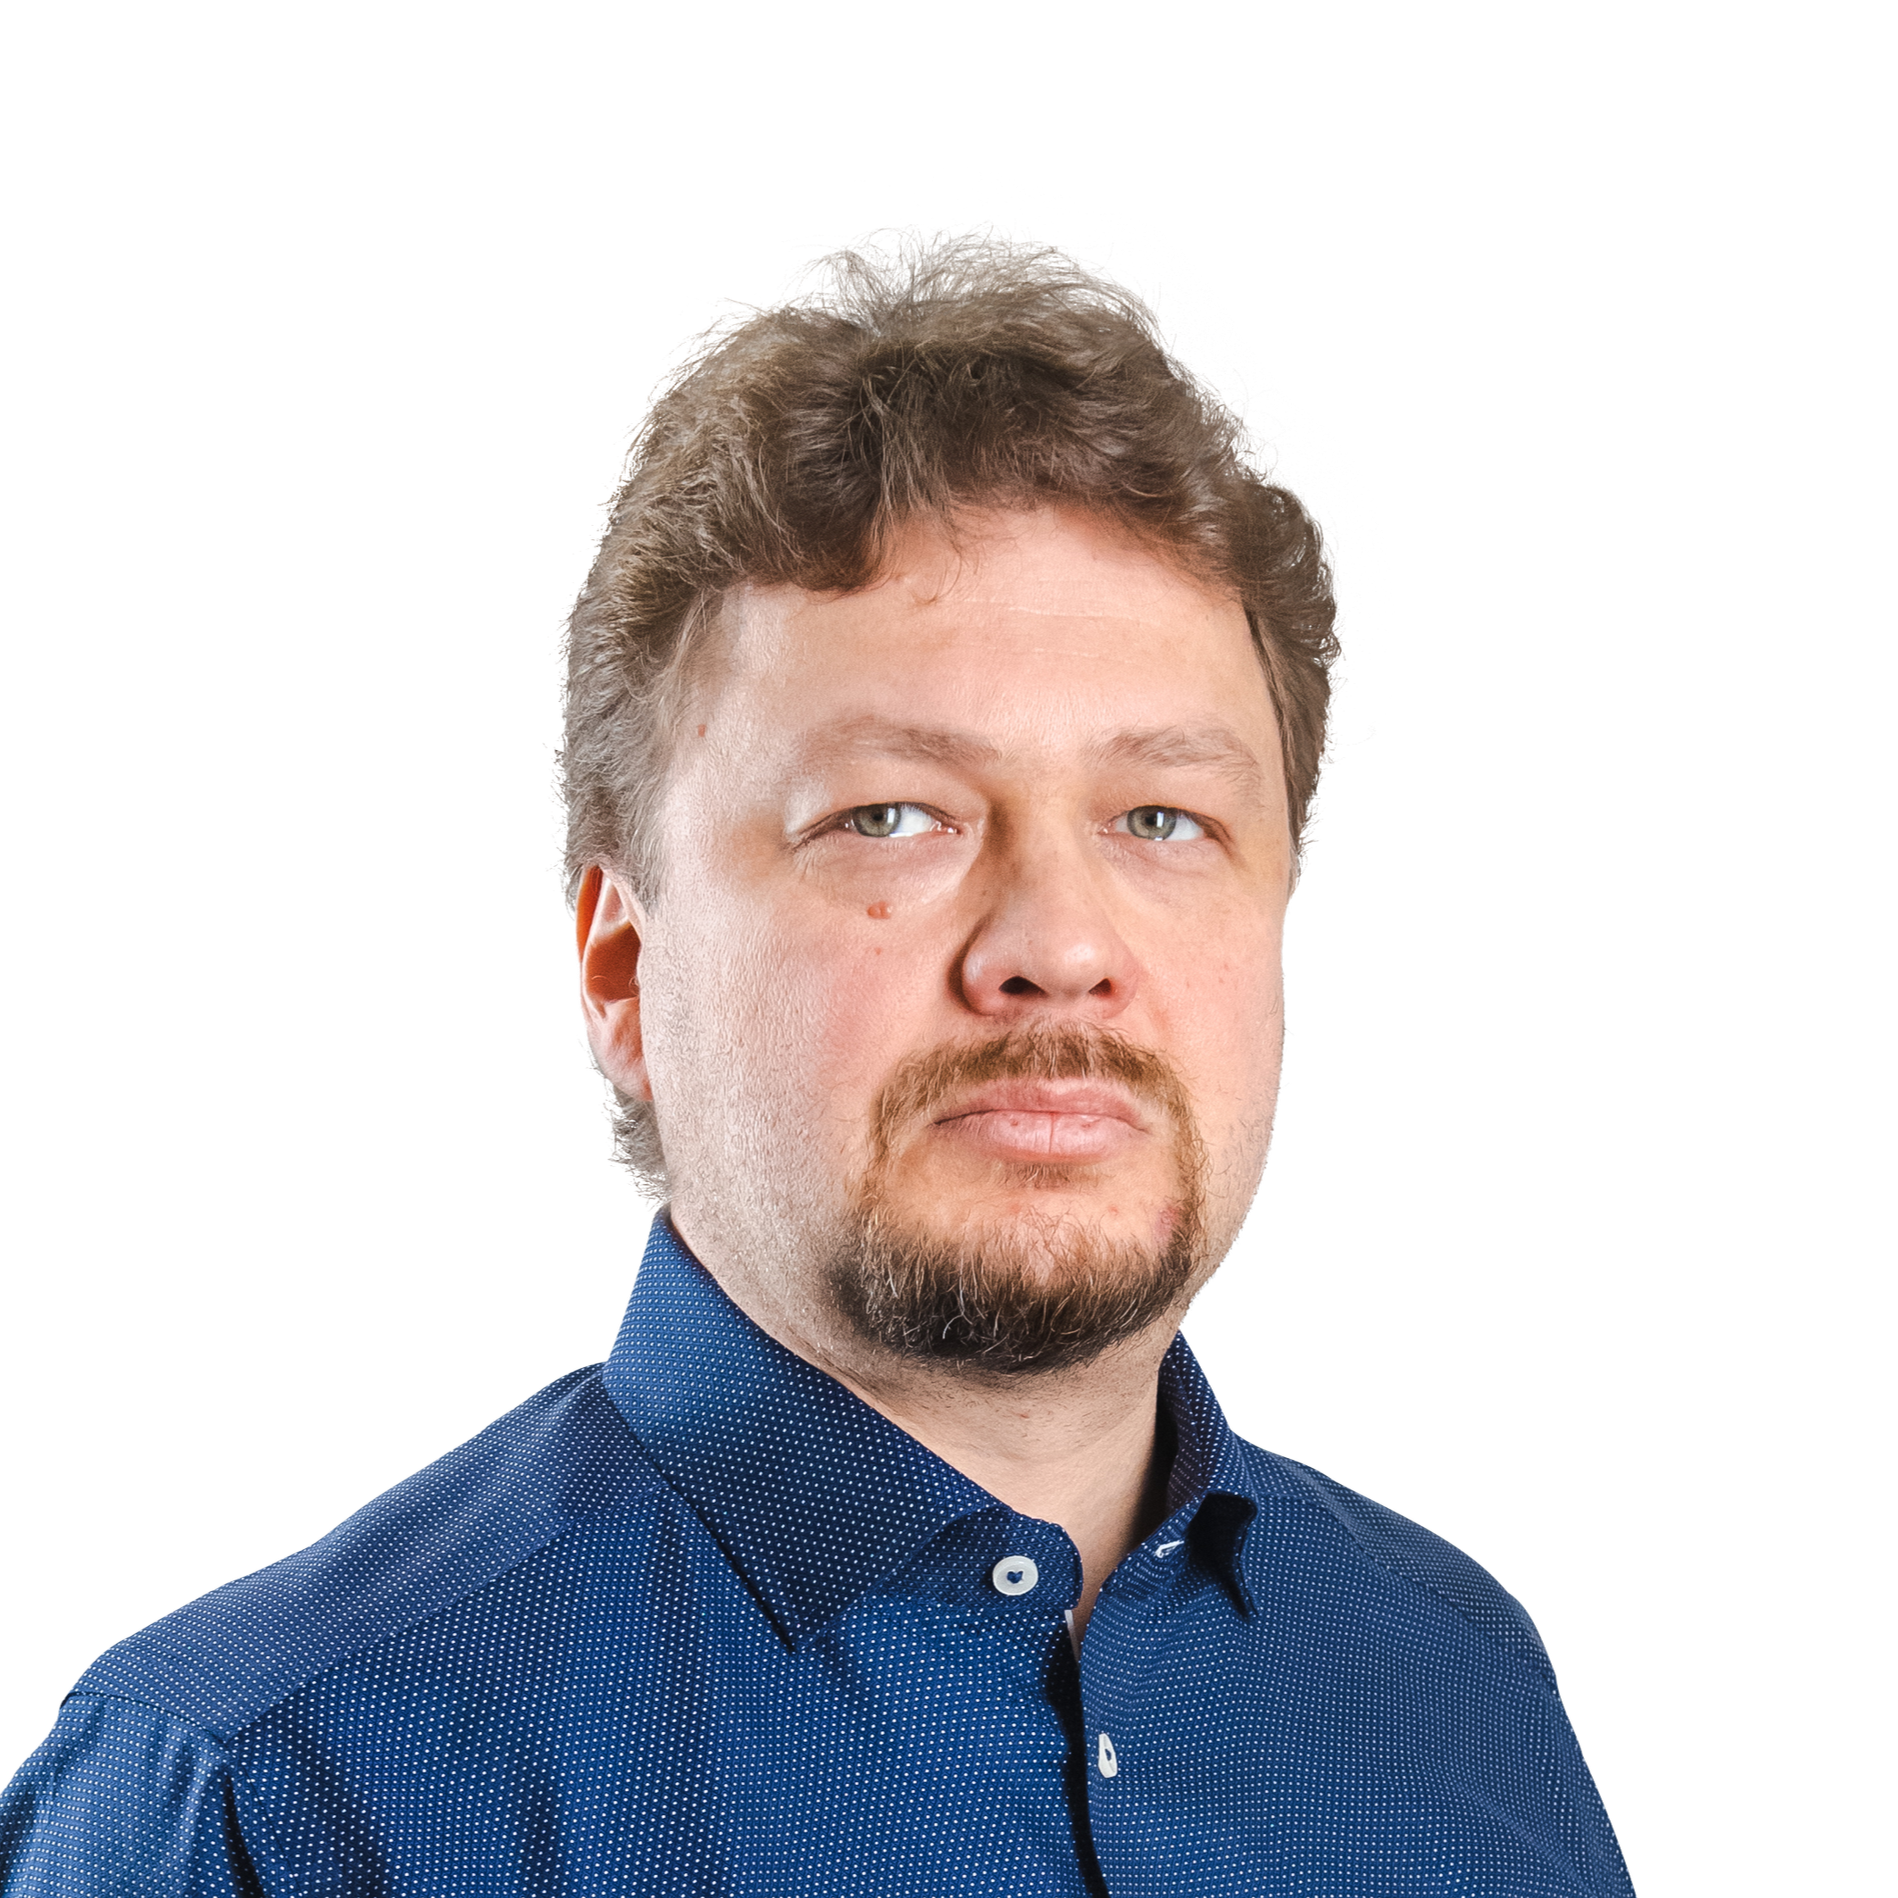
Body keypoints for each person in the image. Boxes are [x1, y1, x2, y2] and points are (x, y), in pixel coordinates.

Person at [1, 224, 1635, 1895]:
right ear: (622, 968)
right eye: (892, 814)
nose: (1054, 944)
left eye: (1161, 817)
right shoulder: (272, 1792)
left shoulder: (1462, 1689)